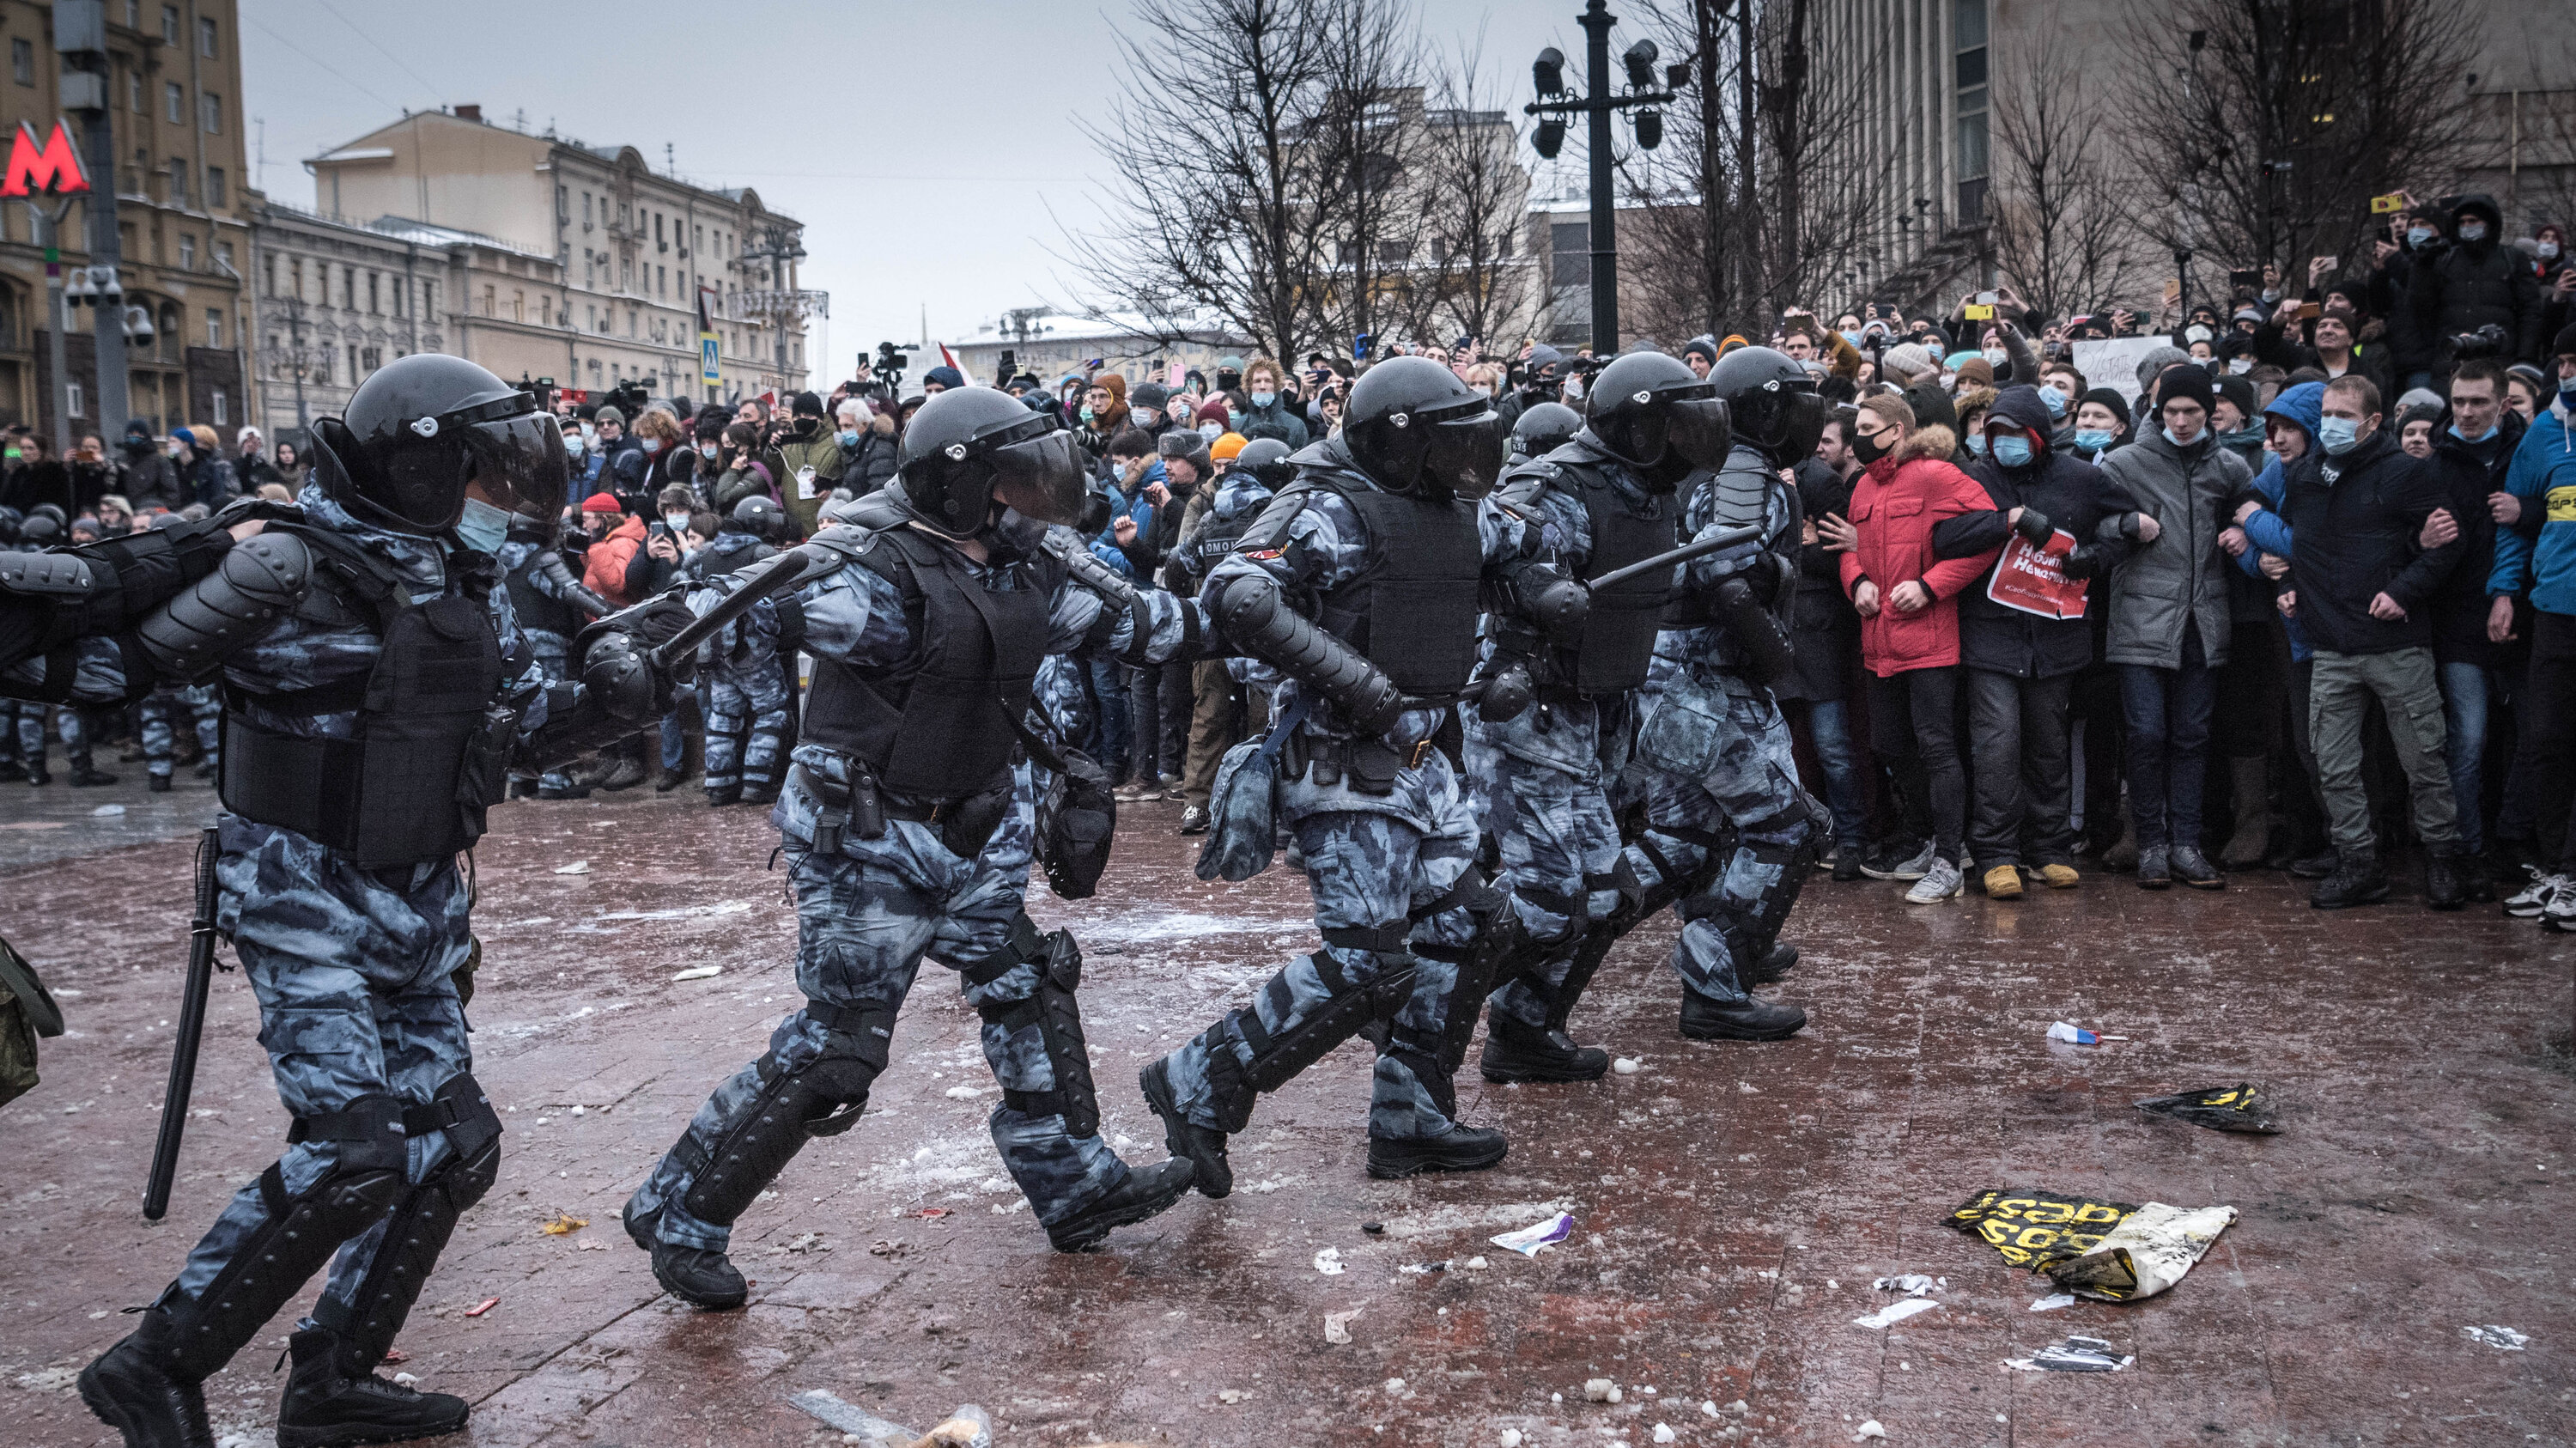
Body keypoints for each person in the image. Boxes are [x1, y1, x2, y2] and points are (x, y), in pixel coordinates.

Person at [38, 354, 672, 1448]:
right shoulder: (288, 567)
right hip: (300, 888)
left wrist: (622, 695)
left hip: (420, 893)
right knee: (354, 1148)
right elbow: (108, 673)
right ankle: (155, 1365)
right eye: (477, 479)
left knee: (449, 1145)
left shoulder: (459, 579)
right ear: (422, 473)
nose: (494, 507)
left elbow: (524, 732)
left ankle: (332, 1376)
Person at [624, 386, 1208, 1309]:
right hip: (869, 835)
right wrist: (648, 642)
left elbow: (1145, 628)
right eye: (1012, 482)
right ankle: (681, 1210)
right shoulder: (866, 566)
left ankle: (1075, 1184)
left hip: (977, 824)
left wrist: (1257, 591)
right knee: (840, 1048)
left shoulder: (1029, 565)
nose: (1030, 499)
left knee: (1027, 981)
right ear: (962, 485)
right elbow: (735, 612)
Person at [1141, 356, 1522, 1200]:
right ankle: (1198, 1082)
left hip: (1426, 766)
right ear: (1402, 440)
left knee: (1472, 929)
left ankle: (1411, 1115)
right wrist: (1361, 684)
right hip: (1341, 765)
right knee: (1368, 966)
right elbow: (1239, 592)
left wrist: (1530, 626)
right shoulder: (1329, 508)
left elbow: (1526, 546)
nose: (1463, 454)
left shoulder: (1459, 511)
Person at [1464, 350, 1746, 1082]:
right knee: (1550, 900)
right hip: (1534, 714)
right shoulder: (1554, 482)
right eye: (1680, 426)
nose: (1692, 442)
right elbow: (1484, 555)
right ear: (1643, 425)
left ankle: (1525, 1030)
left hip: (1601, 707)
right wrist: (1538, 590)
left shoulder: (1653, 492)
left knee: (1606, 894)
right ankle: (1419, 997)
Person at [2270, 375, 2471, 908]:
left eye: (2343, 414)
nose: (2330, 423)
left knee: (2423, 760)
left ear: (2373, 421)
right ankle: (2358, 862)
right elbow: (2300, 544)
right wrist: (2289, 585)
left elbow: (2448, 544)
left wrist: (2403, 591)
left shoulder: (2407, 473)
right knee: (2333, 763)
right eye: (2326, 413)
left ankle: (2444, 858)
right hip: (2330, 647)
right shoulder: (2306, 474)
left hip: (2396, 644)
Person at [1943, 385, 2141, 896]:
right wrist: (2001, 522)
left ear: (2038, 434)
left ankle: (2049, 849)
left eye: (2014, 433)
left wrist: (2094, 558)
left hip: (2057, 634)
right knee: (1997, 744)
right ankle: (1996, 853)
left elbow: (2128, 524)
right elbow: (1944, 536)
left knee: (2048, 743)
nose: (2003, 442)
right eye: (1995, 433)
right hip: (1991, 633)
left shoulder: (2082, 478)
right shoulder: (1975, 477)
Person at [1839, 392, 2002, 903]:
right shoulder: (1862, 485)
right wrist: (1858, 581)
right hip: (1879, 638)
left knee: (1936, 747)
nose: (1859, 437)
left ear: (1897, 431)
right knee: (1889, 744)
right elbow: (1851, 549)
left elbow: (1990, 535)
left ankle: (1950, 859)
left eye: (1868, 427)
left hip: (1930, 639)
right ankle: (1934, 836)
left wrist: (1933, 585)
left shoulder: (1936, 474)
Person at [2097, 365, 2251, 888]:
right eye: (2171, 412)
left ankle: (2186, 843)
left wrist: (2243, 524)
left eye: (2191, 412)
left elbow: (2254, 507)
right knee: (2145, 734)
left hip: (2203, 620)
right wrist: (2123, 524)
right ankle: (2151, 844)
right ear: (2157, 412)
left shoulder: (2228, 467)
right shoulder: (2124, 463)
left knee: (2192, 735)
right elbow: (2092, 520)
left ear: (2209, 413)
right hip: (2140, 617)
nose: (2181, 421)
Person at [2490, 325, 2576, 929]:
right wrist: (2503, 591)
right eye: (2565, 362)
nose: (2571, 372)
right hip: (2554, 610)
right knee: (2546, 742)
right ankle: (2555, 870)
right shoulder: (2545, 434)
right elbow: (2513, 520)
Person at [685, 496, 793, 806]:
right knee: (771, 713)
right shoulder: (761, 552)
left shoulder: (706, 554)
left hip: (715, 652)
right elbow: (785, 597)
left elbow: (683, 585)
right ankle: (757, 784)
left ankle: (719, 786)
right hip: (753, 652)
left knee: (723, 717)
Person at [772, 391, 845, 538]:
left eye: (808, 416)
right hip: (796, 532)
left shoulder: (836, 442)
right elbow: (772, 475)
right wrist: (771, 450)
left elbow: (851, 477)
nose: (802, 420)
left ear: (820, 418)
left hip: (826, 525)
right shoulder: (788, 443)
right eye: (797, 416)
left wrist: (834, 488)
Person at [1235, 356, 1310, 448]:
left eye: (1268, 381)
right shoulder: (1237, 426)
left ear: (1276, 386)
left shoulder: (1296, 426)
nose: (1262, 386)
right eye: (1257, 381)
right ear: (1249, 386)